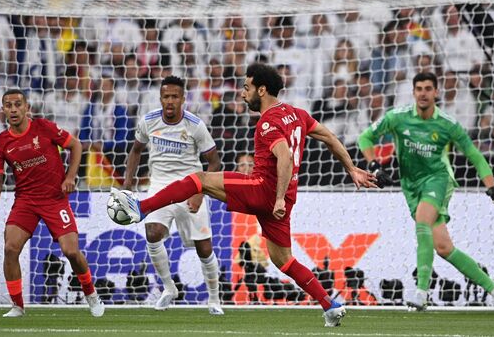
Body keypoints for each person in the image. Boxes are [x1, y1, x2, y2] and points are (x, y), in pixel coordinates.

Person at [111, 63, 377, 327]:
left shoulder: (267, 122)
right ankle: (330, 305)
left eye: (246, 88)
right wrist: (351, 168)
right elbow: (329, 137)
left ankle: (141, 207)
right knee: (283, 260)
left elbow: (283, 156)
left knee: (199, 179)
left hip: (264, 190)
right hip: (283, 199)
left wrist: (279, 197)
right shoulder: (297, 114)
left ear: (262, 90)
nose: (241, 93)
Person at [357, 72, 494, 313]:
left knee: (422, 221)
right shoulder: (398, 118)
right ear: (413, 92)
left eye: (428, 88)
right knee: (443, 247)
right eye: (419, 88)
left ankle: (421, 292)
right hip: (410, 185)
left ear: (436, 92)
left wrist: (492, 190)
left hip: (438, 180)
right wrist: (374, 165)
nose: (423, 93)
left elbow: (475, 156)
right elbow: (365, 138)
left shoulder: (447, 124)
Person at [0, 89, 105, 318]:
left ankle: (91, 294)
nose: (14, 109)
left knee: (71, 251)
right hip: (26, 201)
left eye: (18, 104)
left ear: (27, 107)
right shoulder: (1, 143)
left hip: (54, 200)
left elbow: (76, 145)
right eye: (8, 105)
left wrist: (70, 177)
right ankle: (18, 306)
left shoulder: (44, 128)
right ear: (4, 110)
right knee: (10, 248)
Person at [122, 75, 224, 315]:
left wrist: (200, 192)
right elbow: (136, 150)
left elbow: (214, 162)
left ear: (183, 99)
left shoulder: (195, 125)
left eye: (175, 97)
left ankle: (214, 299)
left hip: (191, 185)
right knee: (152, 233)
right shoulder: (148, 121)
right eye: (166, 96)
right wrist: (128, 182)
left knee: (204, 248)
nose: (170, 101)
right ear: (160, 98)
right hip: (159, 185)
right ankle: (169, 288)